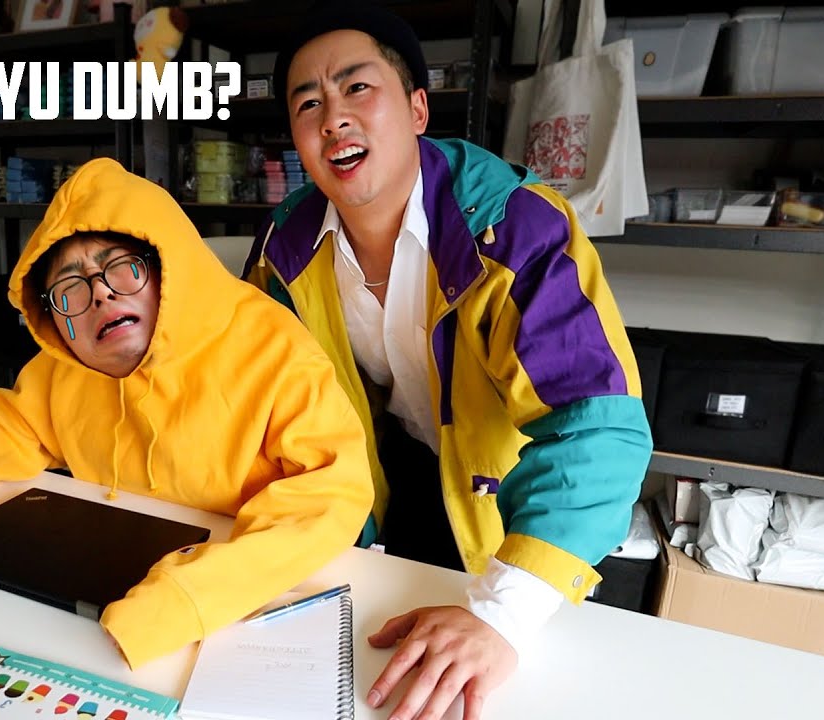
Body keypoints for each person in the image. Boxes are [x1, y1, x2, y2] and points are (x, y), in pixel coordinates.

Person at [247, 3, 653, 718]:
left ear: (417, 109)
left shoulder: (514, 226)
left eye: (356, 88)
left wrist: (503, 616)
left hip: (509, 505)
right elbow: (266, 400)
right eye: (308, 104)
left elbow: (598, 424)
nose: (333, 117)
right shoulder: (284, 247)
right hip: (379, 494)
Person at [0, 158, 374, 670]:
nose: (100, 295)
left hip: (238, 605)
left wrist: (187, 596)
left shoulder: (276, 351)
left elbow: (330, 496)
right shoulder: (60, 372)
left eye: (121, 268)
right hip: (106, 578)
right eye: (69, 287)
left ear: (170, 272)